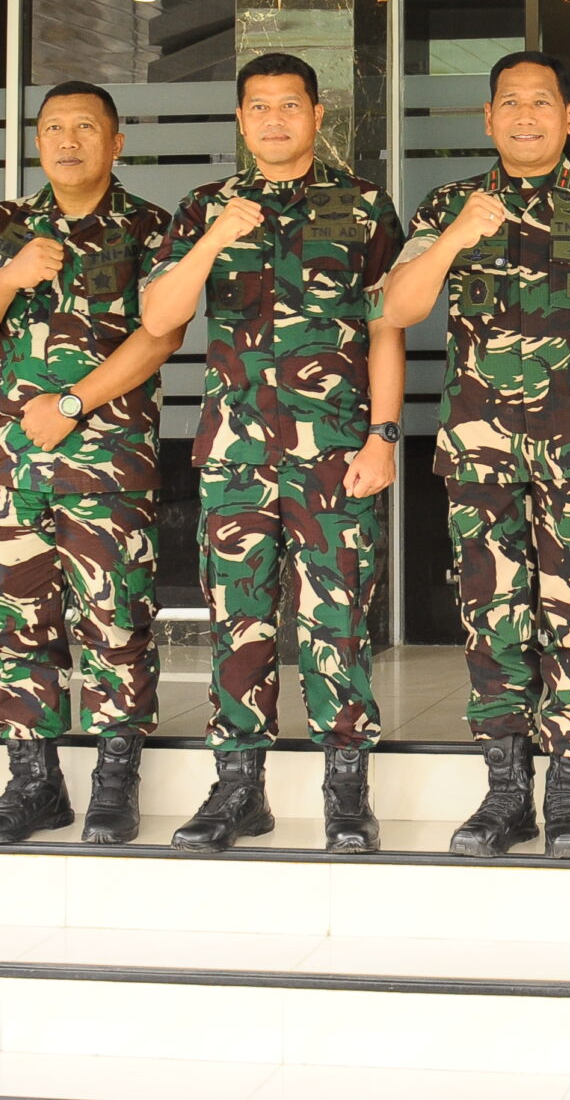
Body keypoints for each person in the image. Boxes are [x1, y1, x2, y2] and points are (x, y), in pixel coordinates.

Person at [381, 51, 570, 860]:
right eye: (511, 102)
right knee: (492, 618)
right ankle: (507, 792)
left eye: (543, 101)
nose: (527, 115)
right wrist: (454, 238)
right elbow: (395, 308)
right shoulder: (448, 204)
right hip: (479, 455)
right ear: (488, 117)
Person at [140, 54, 407, 853]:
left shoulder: (362, 207)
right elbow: (160, 315)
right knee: (238, 620)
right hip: (235, 453)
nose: (275, 119)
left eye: (291, 105)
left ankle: (347, 792)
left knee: (338, 621)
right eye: (259, 106)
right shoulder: (203, 207)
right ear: (241, 118)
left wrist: (385, 435)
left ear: (317, 116)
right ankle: (238, 789)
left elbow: (386, 327)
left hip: (334, 451)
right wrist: (215, 236)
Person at [0, 82, 175, 847]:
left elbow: (160, 334)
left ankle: (115, 782)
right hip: (16, 466)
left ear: (116, 142)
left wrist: (73, 404)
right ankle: (33, 782)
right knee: (18, 624)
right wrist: (9, 274)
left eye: (85, 127)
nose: (67, 140)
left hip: (108, 462)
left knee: (116, 619)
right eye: (52, 128)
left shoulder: (147, 224)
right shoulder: (3, 222)